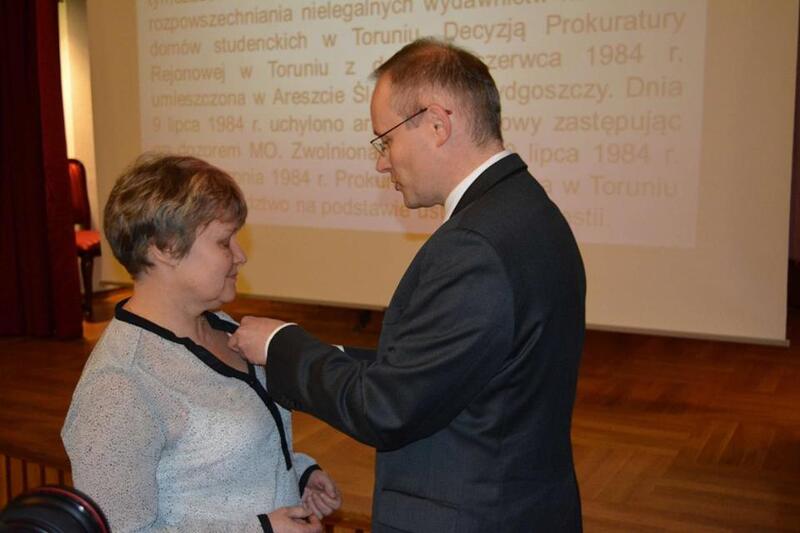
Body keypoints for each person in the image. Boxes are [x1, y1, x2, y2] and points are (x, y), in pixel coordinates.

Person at [231, 38, 586, 532]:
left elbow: (388, 409)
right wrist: (329, 353)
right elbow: (443, 366)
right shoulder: (529, 209)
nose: (382, 162)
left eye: (386, 140)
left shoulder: (474, 247)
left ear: (437, 125)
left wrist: (280, 344)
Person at [61, 154, 341, 532]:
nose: (240, 256)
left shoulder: (224, 327)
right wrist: (259, 530)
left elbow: (219, 463)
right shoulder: (118, 385)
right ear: (164, 248)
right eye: (224, 242)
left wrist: (299, 475)